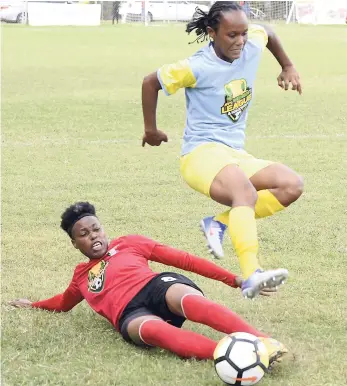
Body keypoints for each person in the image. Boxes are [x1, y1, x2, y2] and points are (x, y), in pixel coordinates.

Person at [141, 1, 304, 299]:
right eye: (231, 35)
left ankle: (218, 224)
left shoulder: (250, 45)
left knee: (291, 185)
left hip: (233, 153)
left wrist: (287, 65)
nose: (240, 41)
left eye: (243, 33)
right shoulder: (196, 66)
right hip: (200, 154)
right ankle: (252, 273)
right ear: (212, 32)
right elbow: (151, 81)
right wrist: (151, 130)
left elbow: (267, 31)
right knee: (245, 192)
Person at [9, 202, 287, 366]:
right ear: (74, 243)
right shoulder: (81, 276)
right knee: (153, 332)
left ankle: (262, 340)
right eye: (83, 234)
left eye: (96, 228)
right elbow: (62, 303)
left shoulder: (128, 243)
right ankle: (233, 355)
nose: (93, 235)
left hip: (156, 288)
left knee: (186, 298)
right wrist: (32, 304)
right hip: (129, 315)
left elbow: (184, 260)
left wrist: (236, 280)